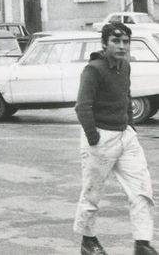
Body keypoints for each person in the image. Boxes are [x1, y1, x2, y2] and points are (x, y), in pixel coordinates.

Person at [74, 21, 157, 255]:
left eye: (125, 42)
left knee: (142, 189)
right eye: (116, 41)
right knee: (92, 192)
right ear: (104, 43)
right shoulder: (94, 69)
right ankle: (88, 242)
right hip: (101, 137)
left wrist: (130, 126)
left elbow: (126, 95)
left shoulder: (125, 66)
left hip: (126, 137)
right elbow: (82, 107)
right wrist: (93, 138)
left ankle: (142, 243)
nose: (122, 46)